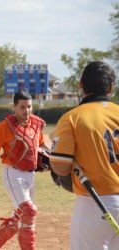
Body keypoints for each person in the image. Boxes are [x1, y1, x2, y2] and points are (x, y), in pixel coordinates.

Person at [50, 61, 119, 250]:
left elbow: (60, 166)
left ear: (80, 84)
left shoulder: (73, 117)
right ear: (111, 87)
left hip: (94, 202)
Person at [0, 90, 49, 250]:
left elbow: (42, 145)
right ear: (14, 107)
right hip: (13, 174)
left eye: (29, 107)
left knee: (21, 215)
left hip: (30, 176)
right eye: (22, 107)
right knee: (29, 211)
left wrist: (54, 156)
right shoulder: (4, 127)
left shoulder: (35, 124)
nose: (27, 111)